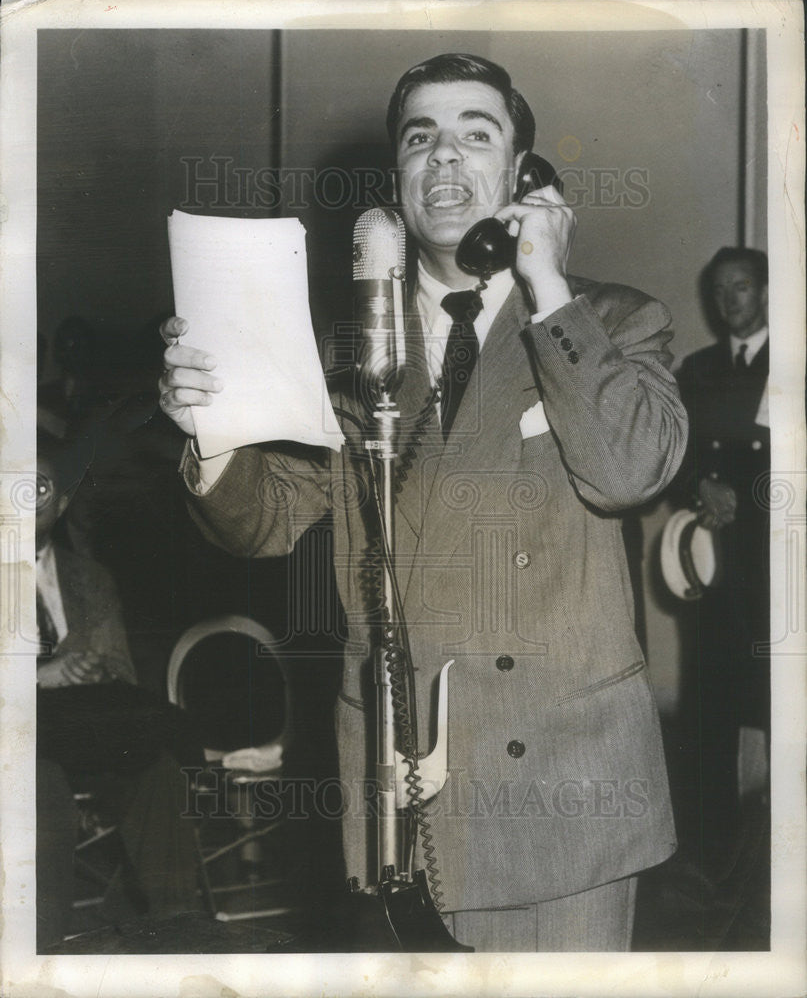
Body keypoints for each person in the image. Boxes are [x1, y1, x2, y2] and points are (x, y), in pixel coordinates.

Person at [158, 53, 688, 951]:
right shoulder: (349, 350)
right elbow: (265, 521)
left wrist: (548, 282)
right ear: (397, 185)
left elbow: (629, 469)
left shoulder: (608, 319)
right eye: (420, 139)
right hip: (400, 785)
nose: (444, 157)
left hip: (560, 789)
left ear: (524, 178)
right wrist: (212, 430)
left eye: (474, 134)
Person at [35, 428, 201, 949]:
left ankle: (179, 927)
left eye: (37, 488)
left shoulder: (90, 578)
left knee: (156, 768)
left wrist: (89, 671)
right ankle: (40, 949)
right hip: (18, 733)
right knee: (39, 787)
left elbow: (120, 674)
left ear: (60, 504)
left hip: (84, 725)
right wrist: (39, 675)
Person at [673, 247, 770, 880]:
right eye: (719, 291)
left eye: (740, 288)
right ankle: (708, 856)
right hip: (709, 564)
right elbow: (673, 450)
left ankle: (766, 860)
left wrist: (748, 498)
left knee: (772, 705)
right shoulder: (699, 368)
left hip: (772, 565)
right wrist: (699, 488)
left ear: (765, 292)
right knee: (708, 707)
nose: (727, 301)